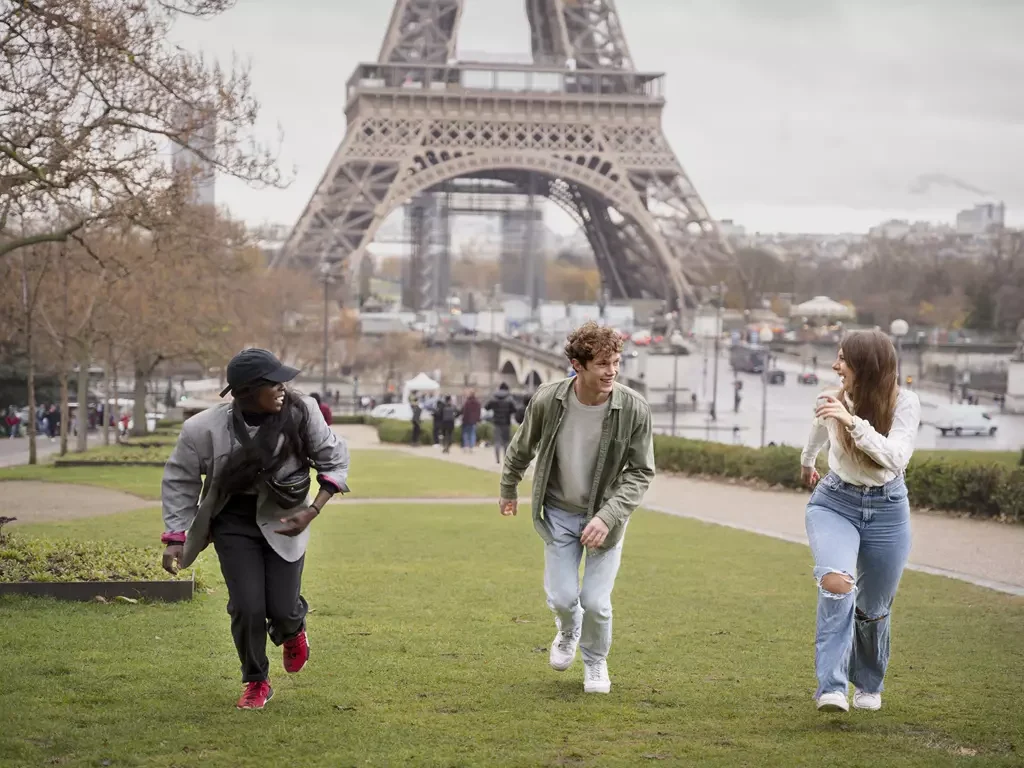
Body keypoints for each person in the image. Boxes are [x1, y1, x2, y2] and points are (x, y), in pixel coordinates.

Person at [160, 349, 350, 710]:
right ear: (246, 391)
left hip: (286, 519)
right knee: (247, 606)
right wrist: (175, 537)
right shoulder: (202, 429)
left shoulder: (303, 412)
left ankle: (292, 628)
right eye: (272, 383)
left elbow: (334, 460)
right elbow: (180, 480)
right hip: (232, 521)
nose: (282, 388)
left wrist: (312, 510)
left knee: (282, 608)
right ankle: (256, 680)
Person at [498, 321, 655, 694]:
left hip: (606, 518)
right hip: (559, 511)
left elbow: (641, 472)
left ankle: (595, 660)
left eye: (615, 362)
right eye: (602, 364)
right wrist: (508, 488)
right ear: (577, 365)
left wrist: (608, 516)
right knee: (564, 598)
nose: (611, 371)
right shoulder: (548, 400)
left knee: (596, 602)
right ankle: (569, 630)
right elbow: (522, 447)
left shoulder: (634, 408)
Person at [800, 329, 921, 714]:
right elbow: (818, 428)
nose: (835, 366)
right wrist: (807, 461)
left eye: (843, 359)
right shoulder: (832, 399)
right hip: (835, 502)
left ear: (866, 367)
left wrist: (852, 422)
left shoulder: (905, 403)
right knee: (836, 583)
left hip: (888, 509)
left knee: (873, 607)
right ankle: (831, 687)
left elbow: (896, 457)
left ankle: (867, 682)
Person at [485, 383, 517, 465]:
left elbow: (486, 407)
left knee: (497, 441)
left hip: (496, 422)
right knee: (506, 442)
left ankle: (497, 460)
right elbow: (514, 409)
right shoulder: (509, 398)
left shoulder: (494, 397)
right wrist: (508, 411)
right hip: (506, 422)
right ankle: (505, 459)